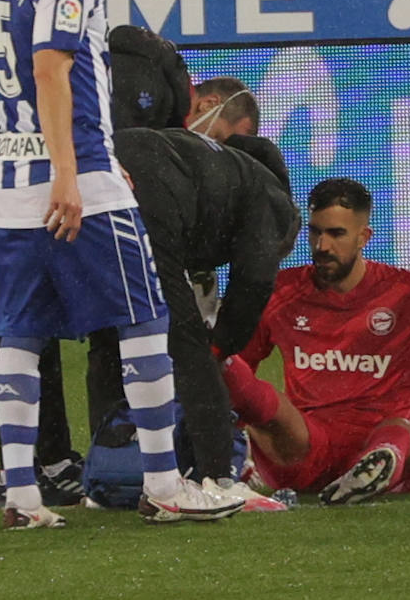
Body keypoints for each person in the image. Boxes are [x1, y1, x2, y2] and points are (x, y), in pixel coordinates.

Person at [0, 0, 241, 528]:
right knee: (146, 318)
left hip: (11, 175)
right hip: (73, 176)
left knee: (21, 330)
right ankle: (164, 484)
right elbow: (51, 69)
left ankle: (22, 495)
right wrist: (72, 170)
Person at [0, 23, 194, 511]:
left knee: (28, 318)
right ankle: (43, 466)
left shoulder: (112, 64)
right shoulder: (140, 82)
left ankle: (37, 469)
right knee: (29, 316)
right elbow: (112, 159)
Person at [220, 178, 410, 505]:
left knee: (397, 431)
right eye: (315, 232)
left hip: (383, 437)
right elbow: (238, 375)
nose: (322, 246)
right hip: (308, 448)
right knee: (252, 385)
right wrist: (235, 442)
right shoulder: (278, 292)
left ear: (364, 237)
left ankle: (377, 465)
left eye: (336, 234)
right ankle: (372, 469)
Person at [86, 126, 301, 511]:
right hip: (147, 186)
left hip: (96, 170)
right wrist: (221, 345)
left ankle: (110, 468)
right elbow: (254, 280)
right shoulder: (271, 197)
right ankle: (220, 479)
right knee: (189, 345)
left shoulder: (215, 165)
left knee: (110, 334)